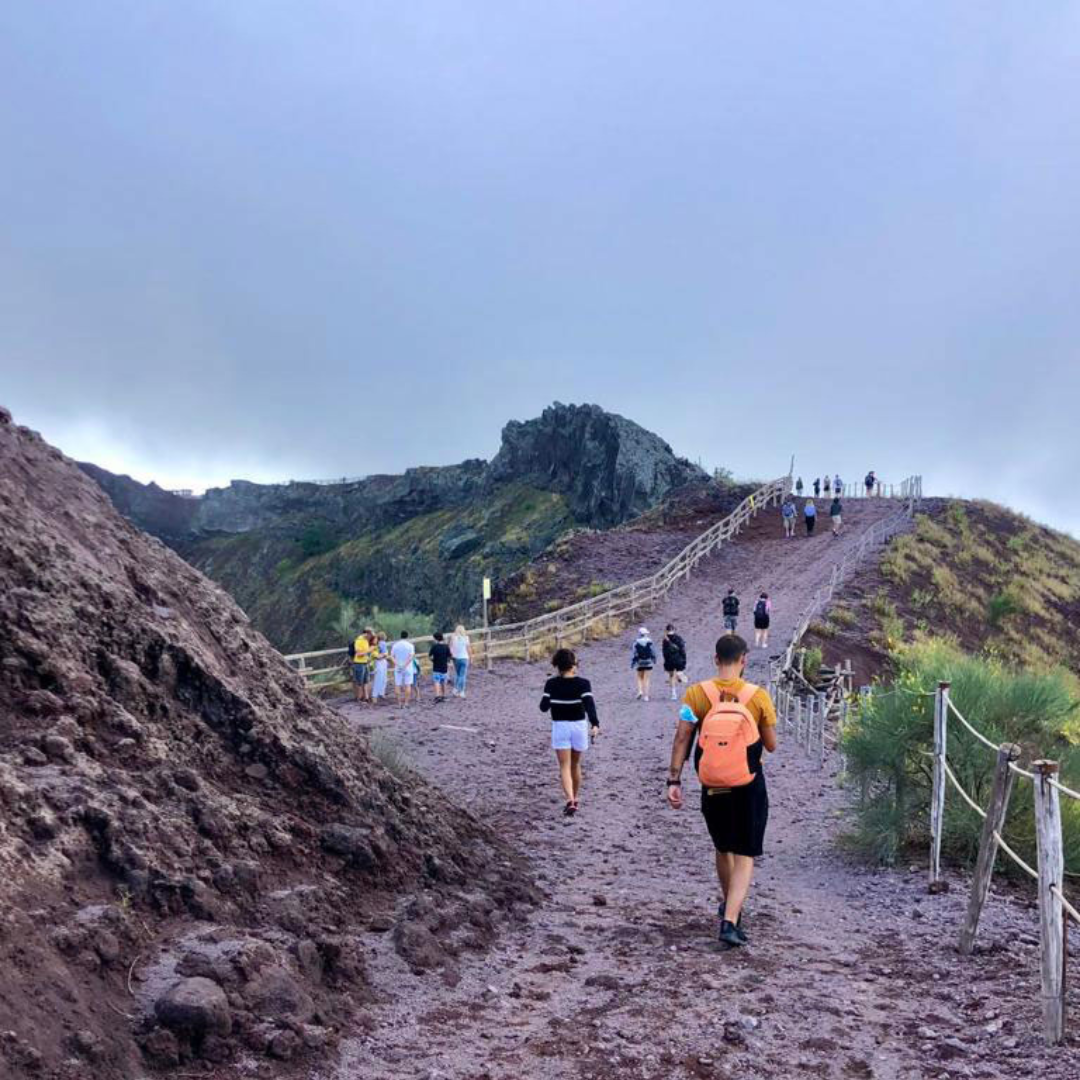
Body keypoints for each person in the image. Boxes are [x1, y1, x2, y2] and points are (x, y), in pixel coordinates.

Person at [666, 634, 778, 948]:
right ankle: (730, 919)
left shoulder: (695, 695)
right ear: (744, 660)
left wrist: (673, 780)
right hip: (748, 784)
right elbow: (771, 745)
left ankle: (730, 907)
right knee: (745, 853)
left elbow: (681, 738)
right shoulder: (758, 697)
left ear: (716, 659)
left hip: (712, 784)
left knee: (723, 847)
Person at [540, 648, 600, 817]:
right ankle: (576, 797)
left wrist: (553, 697)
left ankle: (570, 799)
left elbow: (543, 707)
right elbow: (590, 705)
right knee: (575, 764)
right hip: (579, 726)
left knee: (564, 766)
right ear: (573, 665)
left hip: (560, 726)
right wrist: (595, 724)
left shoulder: (551, 684)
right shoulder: (584, 683)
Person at [662, 624, 688, 701]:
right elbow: (683, 650)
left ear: (666, 630)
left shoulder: (665, 640)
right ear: (674, 629)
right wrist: (684, 659)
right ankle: (685, 691)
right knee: (680, 674)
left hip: (669, 660)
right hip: (678, 660)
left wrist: (666, 661)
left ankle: (674, 694)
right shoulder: (679, 638)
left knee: (671, 676)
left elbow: (664, 652)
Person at [390, 630, 416, 708]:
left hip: (398, 666)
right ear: (407, 636)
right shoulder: (410, 645)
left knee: (397, 684)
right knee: (408, 685)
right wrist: (405, 665)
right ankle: (406, 703)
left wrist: (397, 664)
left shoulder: (395, 645)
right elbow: (411, 657)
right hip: (407, 667)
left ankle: (399, 703)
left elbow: (391, 656)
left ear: (400, 636)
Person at [631, 627, 656, 701]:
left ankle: (640, 691)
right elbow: (653, 651)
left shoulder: (636, 642)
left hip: (640, 662)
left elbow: (634, 653)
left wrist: (633, 662)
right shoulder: (650, 641)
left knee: (639, 677)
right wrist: (654, 659)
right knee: (647, 679)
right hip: (648, 662)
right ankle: (646, 696)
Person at [351, 631, 374, 704]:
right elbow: (359, 654)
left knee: (366, 681)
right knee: (359, 682)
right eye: (370, 635)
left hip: (365, 663)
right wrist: (369, 650)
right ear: (367, 634)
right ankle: (359, 698)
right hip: (359, 664)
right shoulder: (358, 641)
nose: (371, 637)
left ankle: (366, 698)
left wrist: (368, 658)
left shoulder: (366, 641)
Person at [429, 631, 451, 702]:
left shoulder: (434, 647)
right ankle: (444, 696)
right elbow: (449, 656)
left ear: (436, 639)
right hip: (444, 667)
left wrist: (433, 660)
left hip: (436, 667)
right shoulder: (446, 646)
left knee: (437, 682)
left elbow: (430, 656)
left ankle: (437, 696)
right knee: (444, 682)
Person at [449, 624, 471, 698]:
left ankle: (457, 690)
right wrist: (471, 657)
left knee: (458, 674)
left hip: (456, 658)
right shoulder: (466, 638)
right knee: (463, 675)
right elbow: (468, 649)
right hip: (464, 658)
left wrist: (451, 656)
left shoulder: (453, 638)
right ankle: (460, 691)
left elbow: (450, 648)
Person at [372, 632, 389, 703]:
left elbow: (385, 654)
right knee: (380, 678)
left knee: (383, 678)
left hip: (382, 661)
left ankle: (380, 693)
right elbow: (384, 654)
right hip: (380, 661)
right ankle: (375, 695)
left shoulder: (381, 643)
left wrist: (384, 655)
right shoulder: (381, 643)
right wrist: (384, 655)